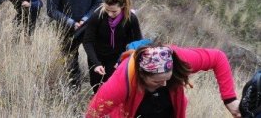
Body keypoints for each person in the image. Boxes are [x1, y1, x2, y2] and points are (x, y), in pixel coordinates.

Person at [85, 43, 241, 118]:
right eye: (157, 82)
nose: (164, 85)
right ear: (142, 74)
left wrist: (230, 99)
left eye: (167, 78)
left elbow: (217, 58)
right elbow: (92, 113)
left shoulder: (177, 59)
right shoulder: (123, 80)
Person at [46, 0, 103, 90]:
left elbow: (98, 3)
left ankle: (98, 89)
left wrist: (85, 19)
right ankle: (74, 88)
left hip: (88, 24)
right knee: (70, 58)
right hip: (66, 27)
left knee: (94, 55)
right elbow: (51, 10)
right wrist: (71, 22)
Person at [83, 0, 142, 94]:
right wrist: (96, 63)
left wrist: (123, 60)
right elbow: (87, 41)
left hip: (117, 59)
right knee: (97, 88)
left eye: (114, 11)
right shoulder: (97, 16)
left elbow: (137, 43)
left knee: (113, 90)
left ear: (123, 6)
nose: (110, 14)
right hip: (97, 57)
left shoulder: (131, 19)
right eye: (107, 10)